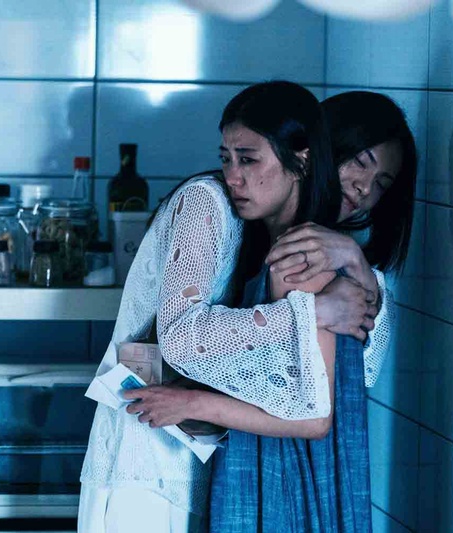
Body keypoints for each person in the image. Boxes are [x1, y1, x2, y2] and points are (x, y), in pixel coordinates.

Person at [78, 81, 378, 533]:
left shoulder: (294, 246)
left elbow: (342, 386)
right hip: (145, 460)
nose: (233, 175)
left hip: (207, 458)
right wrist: (311, 314)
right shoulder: (207, 201)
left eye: (248, 159)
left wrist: (358, 267)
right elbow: (181, 338)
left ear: (301, 161)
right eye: (227, 158)